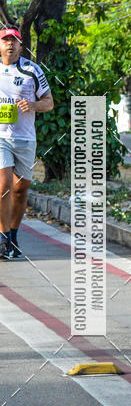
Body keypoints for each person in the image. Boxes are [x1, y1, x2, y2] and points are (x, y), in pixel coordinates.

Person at [0, 27, 53, 260]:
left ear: (21, 46)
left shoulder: (32, 70)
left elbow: (49, 102)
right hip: (1, 138)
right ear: (0, 45)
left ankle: (12, 235)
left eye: (14, 40)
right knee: (4, 186)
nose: (10, 44)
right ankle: (3, 239)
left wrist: (32, 105)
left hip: (25, 138)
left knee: (20, 191)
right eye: (5, 40)